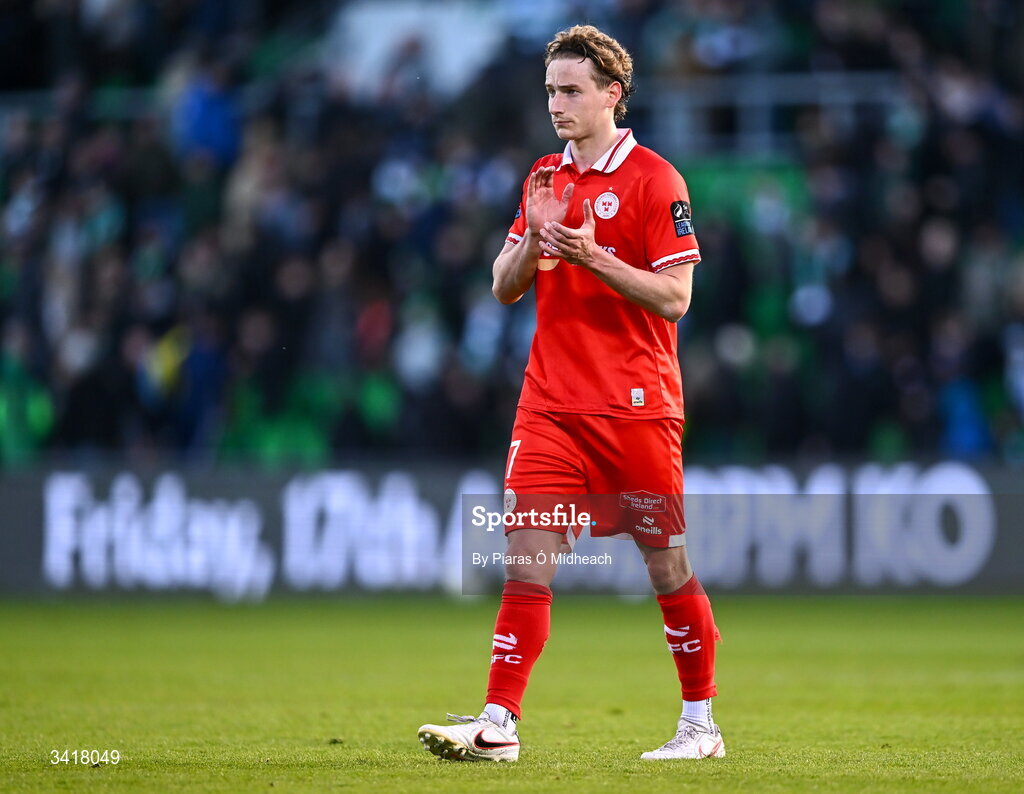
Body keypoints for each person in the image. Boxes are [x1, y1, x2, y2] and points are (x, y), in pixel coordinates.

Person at [418, 24, 723, 762]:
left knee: (666, 566)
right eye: (551, 90)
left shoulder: (657, 181)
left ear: (611, 95)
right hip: (550, 405)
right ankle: (498, 723)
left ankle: (699, 726)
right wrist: (533, 240)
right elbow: (501, 287)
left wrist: (593, 257)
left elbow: (676, 299)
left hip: (637, 408)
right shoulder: (544, 178)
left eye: (571, 90)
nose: (557, 104)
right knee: (527, 557)